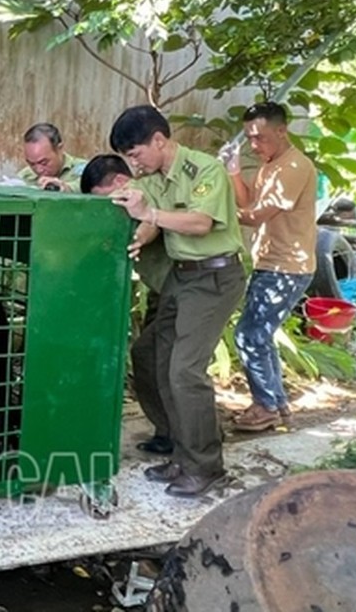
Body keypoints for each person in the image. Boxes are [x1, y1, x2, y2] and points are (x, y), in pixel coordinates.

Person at [108, 105, 246, 497]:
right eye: (127, 157)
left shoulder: (204, 170)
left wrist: (150, 212)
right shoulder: (153, 178)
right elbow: (141, 211)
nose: (133, 162)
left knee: (185, 371)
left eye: (135, 153)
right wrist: (142, 230)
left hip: (215, 277)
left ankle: (206, 467)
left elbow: (200, 223)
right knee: (151, 356)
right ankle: (180, 449)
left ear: (159, 140)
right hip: (181, 278)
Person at [222, 102, 317, 432]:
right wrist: (234, 172)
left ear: (282, 130)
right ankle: (275, 405)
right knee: (260, 336)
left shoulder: (293, 167)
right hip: (271, 263)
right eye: (249, 137)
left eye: (260, 137)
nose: (253, 144)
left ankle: (266, 407)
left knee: (249, 336)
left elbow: (256, 216)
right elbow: (248, 202)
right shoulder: (271, 165)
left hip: (287, 267)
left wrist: (211, 216)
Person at [81, 154, 173, 455]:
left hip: (184, 287)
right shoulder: (130, 191)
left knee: (164, 362)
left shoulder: (141, 192)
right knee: (157, 359)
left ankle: (190, 437)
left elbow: (153, 219)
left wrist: (148, 226)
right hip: (164, 289)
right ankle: (174, 432)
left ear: (120, 182)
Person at [18, 122, 86, 191]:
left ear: (59, 149)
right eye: (32, 164)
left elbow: (86, 186)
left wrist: (63, 187)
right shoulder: (25, 175)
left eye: (44, 163)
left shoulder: (85, 170)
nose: (38, 170)